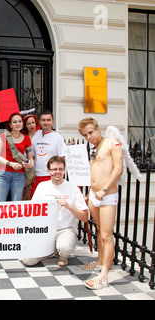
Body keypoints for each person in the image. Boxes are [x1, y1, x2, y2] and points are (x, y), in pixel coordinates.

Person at [78, 118, 123, 290]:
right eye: (85, 135)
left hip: (107, 195)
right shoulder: (93, 148)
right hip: (94, 195)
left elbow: (118, 169)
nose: (88, 137)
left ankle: (104, 275)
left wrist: (104, 189)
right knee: (98, 230)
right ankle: (99, 261)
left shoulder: (112, 143)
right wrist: (90, 194)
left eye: (90, 132)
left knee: (106, 235)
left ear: (97, 129)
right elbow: (95, 172)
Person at [22, 156, 88, 267]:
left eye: (61, 169)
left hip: (65, 229)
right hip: (45, 230)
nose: (58, 172)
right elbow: (32, 210)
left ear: (64, 170)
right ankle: (51, 251)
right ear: (49, 171)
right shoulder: (42, 186)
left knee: (65, 248)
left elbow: (85, 217)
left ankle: (62, 253)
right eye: (54, 169)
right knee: (28, 261)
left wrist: (68, 206)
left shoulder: (73, 188)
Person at [0, 112, 34, 202]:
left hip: (19, 174)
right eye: (15, 122)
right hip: (3, 173)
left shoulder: (26, 139)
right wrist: (10, 163)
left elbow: (30, 157)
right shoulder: (3, 136)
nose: (18, 124)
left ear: (23, 124)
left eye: (20, 121)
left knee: (16, 203)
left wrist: (29, 164)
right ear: (10, 124)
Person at [31, 110, 66, 197]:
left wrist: (59, 174)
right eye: (43, 120)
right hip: (37, 176)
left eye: (48, 120)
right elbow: (32, 156)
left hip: (51, 176)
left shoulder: (58, 138)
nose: (46, 122)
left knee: (52, 203)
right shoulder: (35, 137)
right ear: (39, 122)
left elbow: (62, 158)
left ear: (53, 122)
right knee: (37, 204)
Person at [21, 114, 40, 200]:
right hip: (27, 169)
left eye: (33, 122)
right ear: (25, 125)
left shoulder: (40, 134)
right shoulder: (23, 137)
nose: (32, 125)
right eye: (29, 124)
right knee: (26, 192)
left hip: (39, 168)